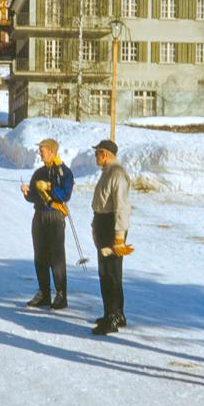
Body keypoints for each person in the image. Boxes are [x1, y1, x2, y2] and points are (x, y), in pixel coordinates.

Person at [21, 137, 74, 310]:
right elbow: (33, 198)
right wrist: (27, 193)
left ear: (52, 151)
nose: (40, 153)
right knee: (40, 256)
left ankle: (61, 295)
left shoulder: (64, 172)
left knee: (56, 257)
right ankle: (44, 293)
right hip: (39, 215)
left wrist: (49, 187)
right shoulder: (39, 172)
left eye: (42, 150)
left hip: (55, 216)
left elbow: (65, 195)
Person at [90, 139, 133, 335]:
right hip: (103, 224)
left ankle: (113, 317)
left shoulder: (117, 174)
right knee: (107, 272)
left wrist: (119, 236)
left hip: (111, 227)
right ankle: (115, 313)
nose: (95, 156)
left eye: (97, 152)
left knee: (111, 274)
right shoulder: (107, 172)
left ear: (105, 153)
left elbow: (121, 207)